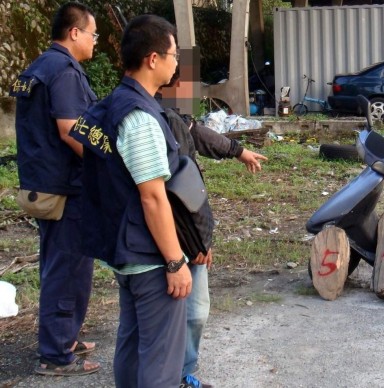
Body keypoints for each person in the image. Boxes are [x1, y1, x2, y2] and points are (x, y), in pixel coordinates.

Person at [70, 15, 192, 387]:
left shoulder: (113, 103)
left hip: (126, 248)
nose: (176, 64)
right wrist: (175, 261)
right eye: (173, 55)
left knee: (133, 341)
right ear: (153, 59)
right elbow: (153, 196)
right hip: (149, 255)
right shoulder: (139, 117)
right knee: (160, 357)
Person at [157, 79, 268, 388]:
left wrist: (238, 150)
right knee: (181, 313)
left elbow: (197, 133)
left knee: (189, 312)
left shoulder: (169, 114)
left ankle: (178, 373)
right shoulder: (156, 119)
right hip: (172, 239)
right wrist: (197, 243)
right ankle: (171, 377)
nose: (195, 92)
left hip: (174, 237)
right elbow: (169, 193)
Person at [9, 2, 100, 376]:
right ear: (74, 33)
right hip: (66, 187)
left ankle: (66, 336)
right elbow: (69, 129)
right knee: (68, 269)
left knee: (60, 264)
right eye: (93, 34)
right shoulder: (63, 72)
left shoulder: (37, 67)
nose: (95, 41)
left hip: (43, 184)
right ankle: (56, 354)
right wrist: (104, 162)